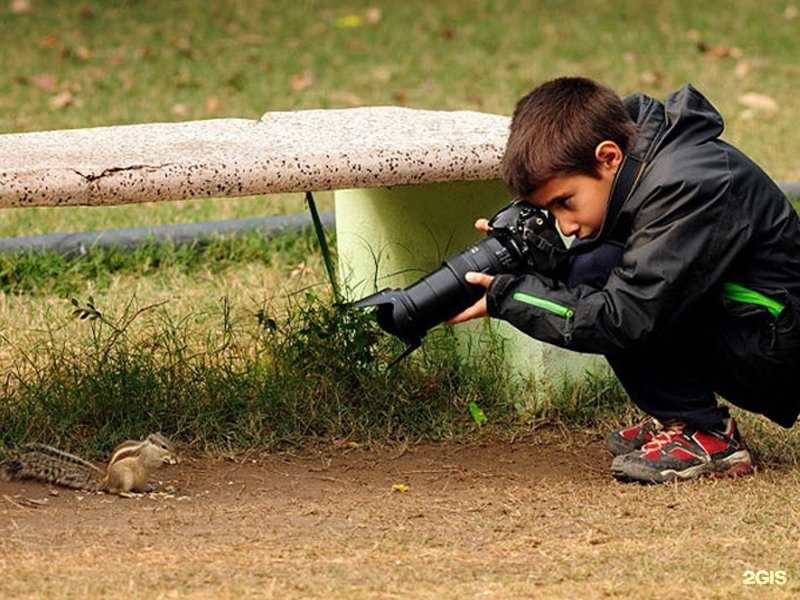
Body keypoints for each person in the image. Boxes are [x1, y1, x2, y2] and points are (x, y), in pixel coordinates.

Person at [448, 77, 800, 483]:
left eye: (564, 202)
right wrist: (539, 258)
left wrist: (508, 297)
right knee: (590, 267)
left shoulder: (687, 183)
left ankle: (706, 434)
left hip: (777, 346)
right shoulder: (647, 161)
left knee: (604, 285)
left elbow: (624, 315)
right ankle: (679, 416)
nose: (567, 223)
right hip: (750, 323)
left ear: (608, 156)